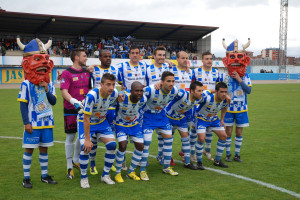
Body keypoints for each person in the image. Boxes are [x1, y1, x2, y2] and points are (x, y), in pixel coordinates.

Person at [17, 37, 58, 188]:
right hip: (32, 124)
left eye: (46, 61)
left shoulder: (50, 84)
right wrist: (26, 122)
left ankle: (44, 176)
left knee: (44, 149)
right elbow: (23, 104)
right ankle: (26, 178)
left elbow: (53, 102)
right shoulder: (26, 84)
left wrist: (47, 90)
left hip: (47, 122)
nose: (43, 66)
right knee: (29, 150)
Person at [77, 73, 124, 188]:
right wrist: (88, 140)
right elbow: (86, 118)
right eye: (108, 84)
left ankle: (105, 175)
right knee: (85, 148)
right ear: (101, 84)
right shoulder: (92, 96)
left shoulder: (114, 93)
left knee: (112, 145)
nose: (111, 87)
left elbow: (118, 100)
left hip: (101, 122)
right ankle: (84, 178)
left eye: (113, 84)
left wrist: (120, 100)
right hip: (86, 121)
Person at [140, 71, 179, 181]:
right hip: (147, 117)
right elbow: (135, 92)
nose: (171, 84)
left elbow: (185, 96)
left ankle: (166, 167)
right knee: (146, 143)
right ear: (162, 82)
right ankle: (142, 170)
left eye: (173, 81)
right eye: (168, 81)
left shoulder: (174, 91)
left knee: (169, 140)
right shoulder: (151, 89)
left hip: (161, 116)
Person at [60, 49, 91, 179]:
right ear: (77, 57)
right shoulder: (66, 73)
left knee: (81, 136)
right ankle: (69, 167)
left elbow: (90, 89)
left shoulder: (87, 72)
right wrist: (75, 102)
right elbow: (64, 91)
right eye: (84, 56)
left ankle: (75, 160)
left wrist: (85, 101)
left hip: (84, 110)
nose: (87, 58)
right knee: (70, 137)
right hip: (70, 110)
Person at [220, 38, 252, 162]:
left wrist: (239, 79)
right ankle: (228, 153)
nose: (237, 60)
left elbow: (248, 91)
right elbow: (219, 91)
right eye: (232, 57)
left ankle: (237, 154)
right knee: (228, 132)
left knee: (239, 132)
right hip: (228, 108)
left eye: (240, 56)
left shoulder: (246, 77)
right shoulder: (224, 76)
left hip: (242, 108)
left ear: (245, 60)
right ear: (226, 60)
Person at [165, 81, 209, 170]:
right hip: (168, 118)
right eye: (199, 91)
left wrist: (215, 91)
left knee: (186, 139)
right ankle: (164, 159)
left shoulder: (200, 97)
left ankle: (187, 163)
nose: (201, 93)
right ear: (192, 91)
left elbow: (209, 92)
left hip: (181, 119)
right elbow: (170, 88)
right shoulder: (182, 94)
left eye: (202, 90)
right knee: (168, 140)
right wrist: (159, 83)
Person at [89, 50, 120, 175]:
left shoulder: (115, 70)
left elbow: (121, 86)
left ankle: (110, 163)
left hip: (110, 109)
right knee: (93, 139)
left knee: (111, 138)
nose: (108, 58)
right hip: (96, 109)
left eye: (110, 56)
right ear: (100, 58)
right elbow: (89, 87)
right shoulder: (93, 71)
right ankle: (92, 164)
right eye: (105, 56)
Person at [114, 82, 147, 183]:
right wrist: (119, 93)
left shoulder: (143, 99)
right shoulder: (122, 98)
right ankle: (117, 173)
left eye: (141, 91)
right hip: (120, 125)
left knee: (140, 146)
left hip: (134, 125)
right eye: (136, 91)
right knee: (123, 146)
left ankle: (131, 171)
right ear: (131, 91)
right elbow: (111, 96)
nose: (139, 93)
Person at [191, 51, 220, 161]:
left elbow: (218, 89)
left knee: (209, 129)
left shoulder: (217, 73)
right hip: (197, 104)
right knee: (194, 129)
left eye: (210, 59)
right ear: (202, 60)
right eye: (206, 59)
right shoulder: (195, 72)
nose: (209, 61)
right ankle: (192, 152)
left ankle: (207, 151)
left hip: (211, 105)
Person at [194, 82, 229, 168]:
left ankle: (217, 160)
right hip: (201, 119)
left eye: (225, 92)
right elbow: (194, 101)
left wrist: (222, 119)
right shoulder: (207, 98)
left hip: (214, 119)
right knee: (201, 139)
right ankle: (199, 162)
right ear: (216, 92)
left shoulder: (226, 100)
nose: (224, 94)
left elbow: (225, 107)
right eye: (222, 92)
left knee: (224, 136)